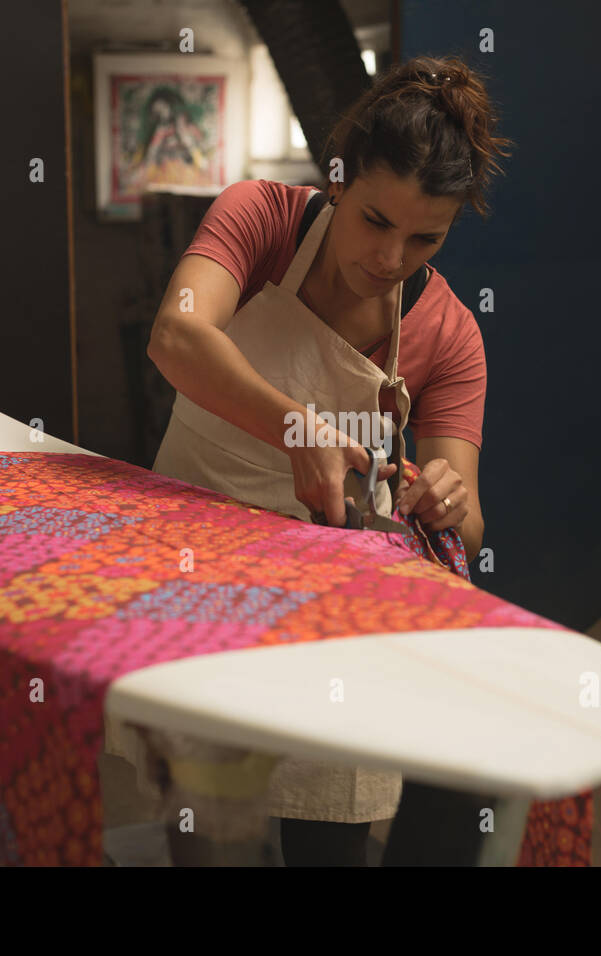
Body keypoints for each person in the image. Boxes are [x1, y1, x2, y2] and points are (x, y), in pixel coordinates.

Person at [145, 54, 512, 865]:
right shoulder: (261, 219)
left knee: (331, 839)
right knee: (213, 837)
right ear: (339, 182)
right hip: (191, 563)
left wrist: (449, 502)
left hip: (326, 602)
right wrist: (299, 429)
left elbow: (472, 527)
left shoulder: (449, 337)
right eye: (375, 221)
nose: (390, 258)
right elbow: (176, 336)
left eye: (426, 237)